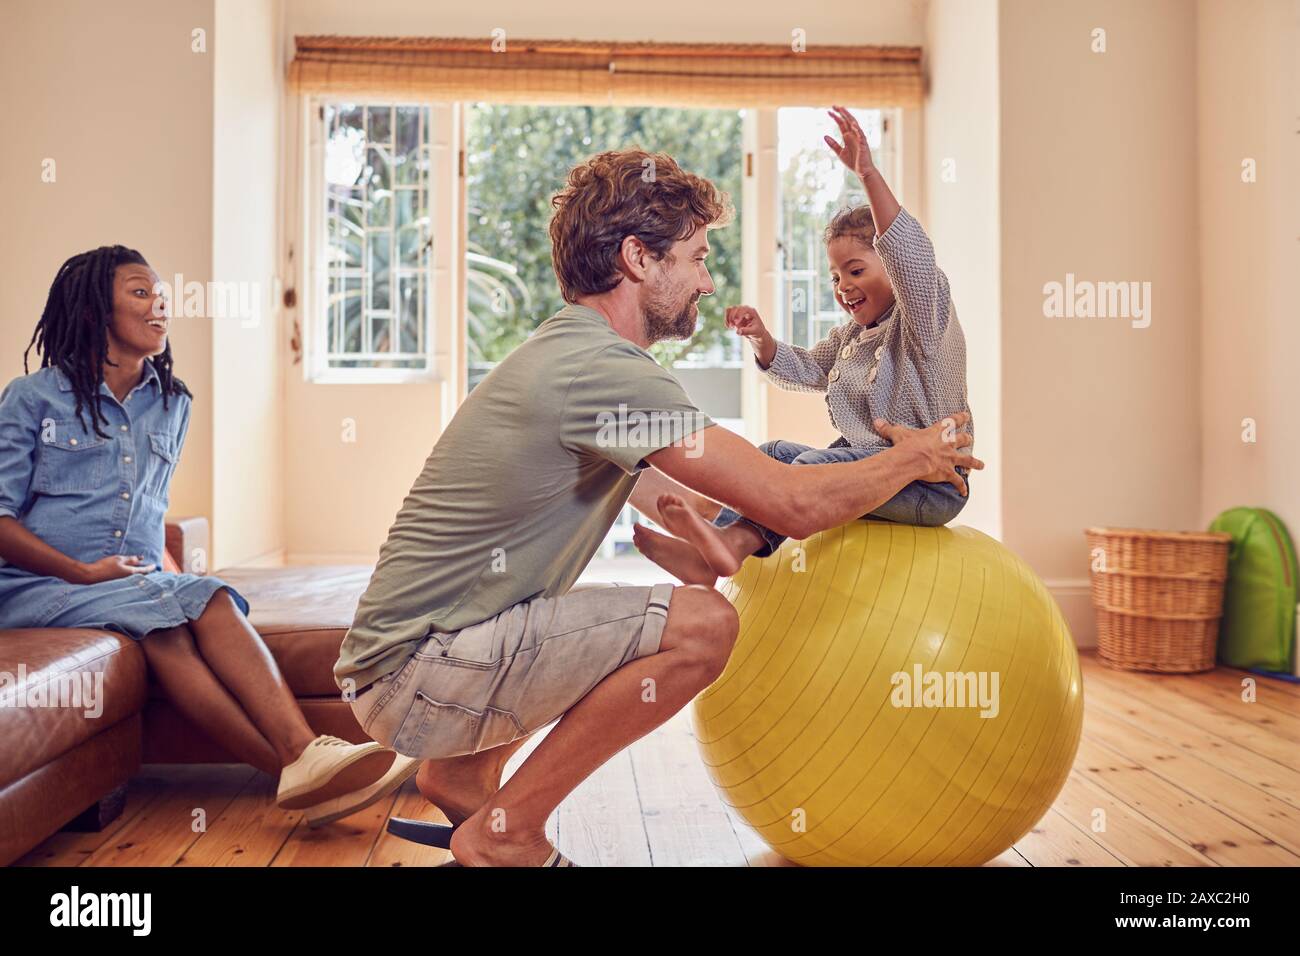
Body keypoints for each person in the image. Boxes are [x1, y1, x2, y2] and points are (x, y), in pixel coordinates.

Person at [336, 147, 982, 867]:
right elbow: (793, 502)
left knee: (649, 607)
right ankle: (506, 836)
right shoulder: (605, 372)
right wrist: (916, 458)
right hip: (420, 673)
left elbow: (686, 492)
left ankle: (461, 774)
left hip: (407, 664)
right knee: (704, 627)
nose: (707, 281)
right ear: (639, 258)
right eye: (698, 257)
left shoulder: (568, 353)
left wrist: (714, 532)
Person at [0, 245, 405, 818]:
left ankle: (300, 775)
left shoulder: (172, 402)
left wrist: (158, 578)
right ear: (94, 312)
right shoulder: (31, 397)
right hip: (38, 588)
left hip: (126, 586)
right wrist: (83, 571)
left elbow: (144, 509)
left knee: (173, 623)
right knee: (197, 601)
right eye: (141, 294)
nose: (160, 307)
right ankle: (300, 757)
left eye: (163, 296)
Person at [636, 106, 974, 586]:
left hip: (930, 485)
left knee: (809, 472)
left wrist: (869, 174)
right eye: (836, 276)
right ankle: (710, 549)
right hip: (877, 469)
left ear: (893, 272)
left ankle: (733, 545)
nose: (843, 285)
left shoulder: (925, 320)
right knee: (773, 454)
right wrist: (762, 340)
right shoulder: (852, 338)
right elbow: (809, 368)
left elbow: (912, 260)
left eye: (857, 270)